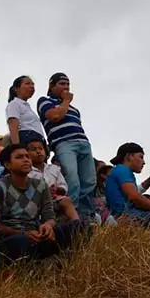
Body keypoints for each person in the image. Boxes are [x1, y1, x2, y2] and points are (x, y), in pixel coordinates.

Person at [0, 144, 85, 262]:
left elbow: (49, 215)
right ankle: (45, 257)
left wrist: (48, 226)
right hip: (13, 238)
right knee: (20, 243)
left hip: (38, 234)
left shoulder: (41, 185)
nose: (26, 160)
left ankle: (46, 255)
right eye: (19, 157)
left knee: (80, 226)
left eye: (27, 157)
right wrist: (24, 233)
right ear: (7, 164)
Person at [36, 73, 96, 217]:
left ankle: (86, 216)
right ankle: (70, 214)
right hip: (64, 143)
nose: (66, 87)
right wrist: (66, 101)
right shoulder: (45, 101)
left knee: (89, 182)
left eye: (68, 84)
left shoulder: (74, 110)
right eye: (62, 84)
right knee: (72, 179)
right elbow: (55, 116)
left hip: (83, 142)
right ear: (51, 86)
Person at [27, 138, 80, 221]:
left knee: (66, 201)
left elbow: (63, 185)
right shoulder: (27, 171)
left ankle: (77, 223)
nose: (38, 151)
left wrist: (57, 189)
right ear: (27, 154)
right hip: (37, 202)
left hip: (55, 199)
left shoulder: (54, 169)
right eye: (34, 149)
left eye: (41, 149)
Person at [5, 76, 46, 146]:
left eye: (33, 84)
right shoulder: (14, 104)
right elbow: (13, 124)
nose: (32, 86)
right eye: (27, 84)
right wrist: (17, 147)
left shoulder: (27, 107)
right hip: (27, 140)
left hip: (38, 141)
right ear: (16, 89)